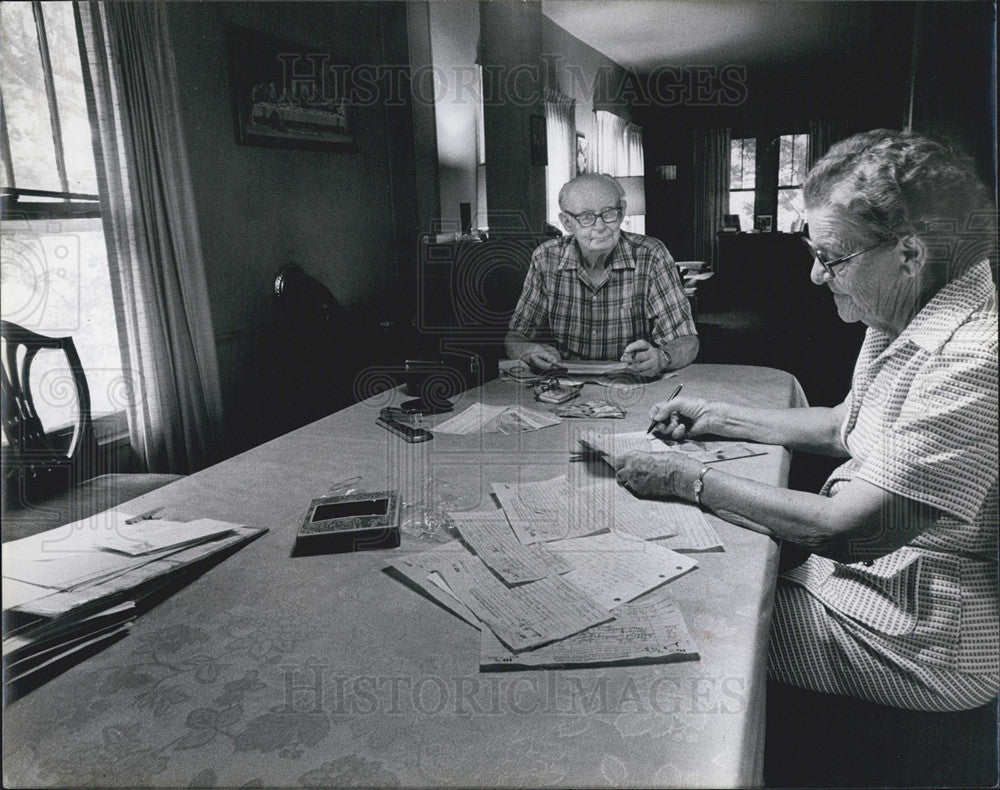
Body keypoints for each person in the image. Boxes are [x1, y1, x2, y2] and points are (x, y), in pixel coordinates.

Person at [617, 130, 998, 712]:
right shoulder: (904, 308)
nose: (817, 278)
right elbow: (846, 423)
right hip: (864, 585)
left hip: (921, 632)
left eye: (830, 258)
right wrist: (715, 415)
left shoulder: (975, 358)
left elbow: (850, 530)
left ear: (910, 254)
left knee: (664, 622)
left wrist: (685, 480)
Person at [505, 173, 698, 377]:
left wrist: (662, 357)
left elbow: (687, 340)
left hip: (633, 383)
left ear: (622, 213)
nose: (600, 226)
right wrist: (528, 351)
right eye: (586, 217)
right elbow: (515, 336)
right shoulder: (546, 258)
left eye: (609, 213)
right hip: (564, 384)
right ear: (567, 222)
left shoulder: (652, 255)